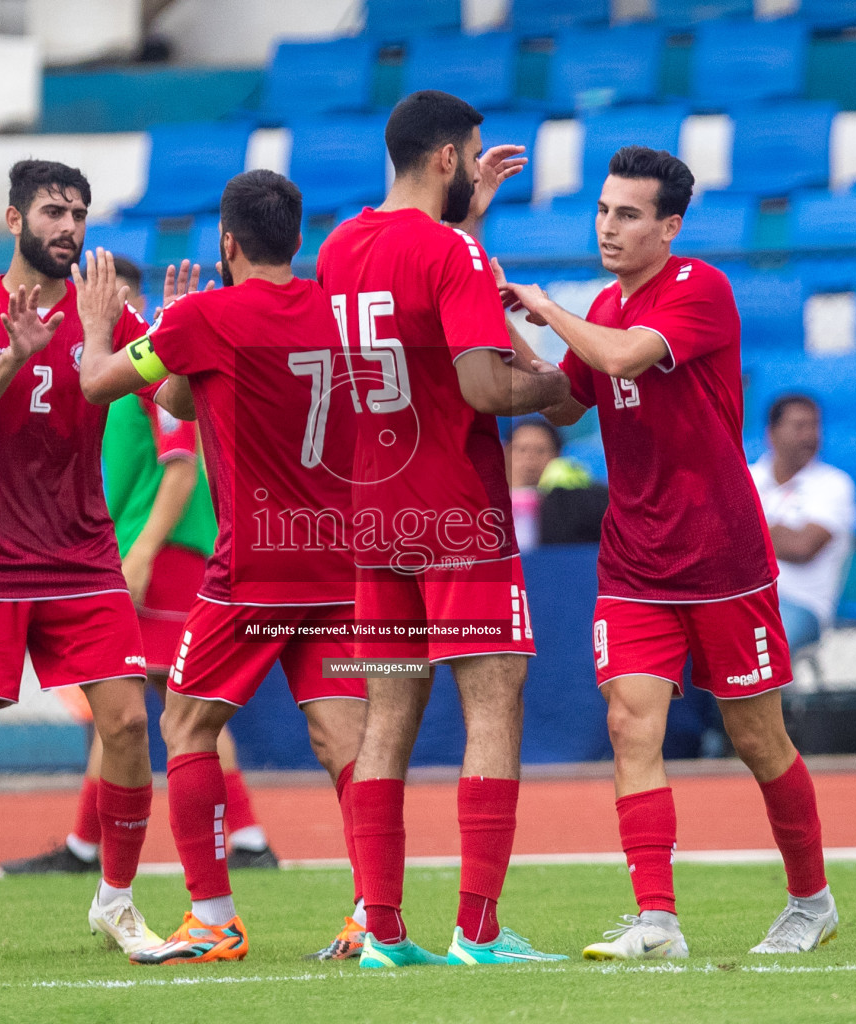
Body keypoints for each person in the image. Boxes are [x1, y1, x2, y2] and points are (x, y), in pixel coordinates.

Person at [496, 145, 837, 959]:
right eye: (604, 210)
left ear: (670, 226)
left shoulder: (700, 291)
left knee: (759, 740)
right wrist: (494, 332)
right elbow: (571, 398)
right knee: (629, 724)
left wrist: (548, 309)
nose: (608, 227)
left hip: (722, 559)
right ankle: (657, 920)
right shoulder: (603, 307)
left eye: (628, 214)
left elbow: (616, 358)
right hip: (635, 562)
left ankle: (811, 901)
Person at [76, 169, 369, 965]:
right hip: (339, 564)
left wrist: (102, 324)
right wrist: (177, 331)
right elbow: (182, 400)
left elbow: (100, 385)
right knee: (344, 736)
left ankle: (213, 915)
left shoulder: (208, 315)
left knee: (186, 724)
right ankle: (374, 914)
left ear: (228, 242)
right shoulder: (332, 311)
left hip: (254, 569)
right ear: (297, 239)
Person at [316, 90, 572, 968]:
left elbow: (416, 301)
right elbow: (484, 387)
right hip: (458, 516)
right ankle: (480, 931)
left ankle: (382, 930)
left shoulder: (340, 245)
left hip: (375, 518)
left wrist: (475, 223)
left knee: (387, 717)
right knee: (492, 702)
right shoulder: (452, 250)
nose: (475, 166)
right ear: (443, 159)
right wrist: (558, 383)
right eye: (470, 156)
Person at [0, 159, 163, 965]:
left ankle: (117, 902)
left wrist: (184, 337)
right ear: (14, 219)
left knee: (128, 723)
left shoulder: (108, 310)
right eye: (54, 211)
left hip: (82, 554)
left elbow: (179, 402)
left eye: (80, 214)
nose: (70, 227)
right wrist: (16, 354)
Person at [1, 256, 279, 876]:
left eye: (91, 291)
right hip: (138, 549)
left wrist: (146, 551)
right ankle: (231, 837)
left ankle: (235, 838)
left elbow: (182, 464)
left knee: (166, 699)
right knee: (147, 698)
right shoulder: (119, 362)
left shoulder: (151, 355)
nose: (80, 303)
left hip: (161, 554)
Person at [749, 395, 856, 652]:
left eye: (814, 426)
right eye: (799, 427)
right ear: (771, 433)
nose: (810, 436)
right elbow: (708, 541)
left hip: (801, 605)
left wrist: (740, 534)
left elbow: (802, 548)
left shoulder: (834, 484)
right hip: (738, 600)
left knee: (756, 649)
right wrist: (777, 532)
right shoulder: (744, 478)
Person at [505, 417, 561, 552]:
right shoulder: (484, 506)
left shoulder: (574, 508)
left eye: (540, 451)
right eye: (521, 449)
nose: (530, 457)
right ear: (506, 452)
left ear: (558, 455)